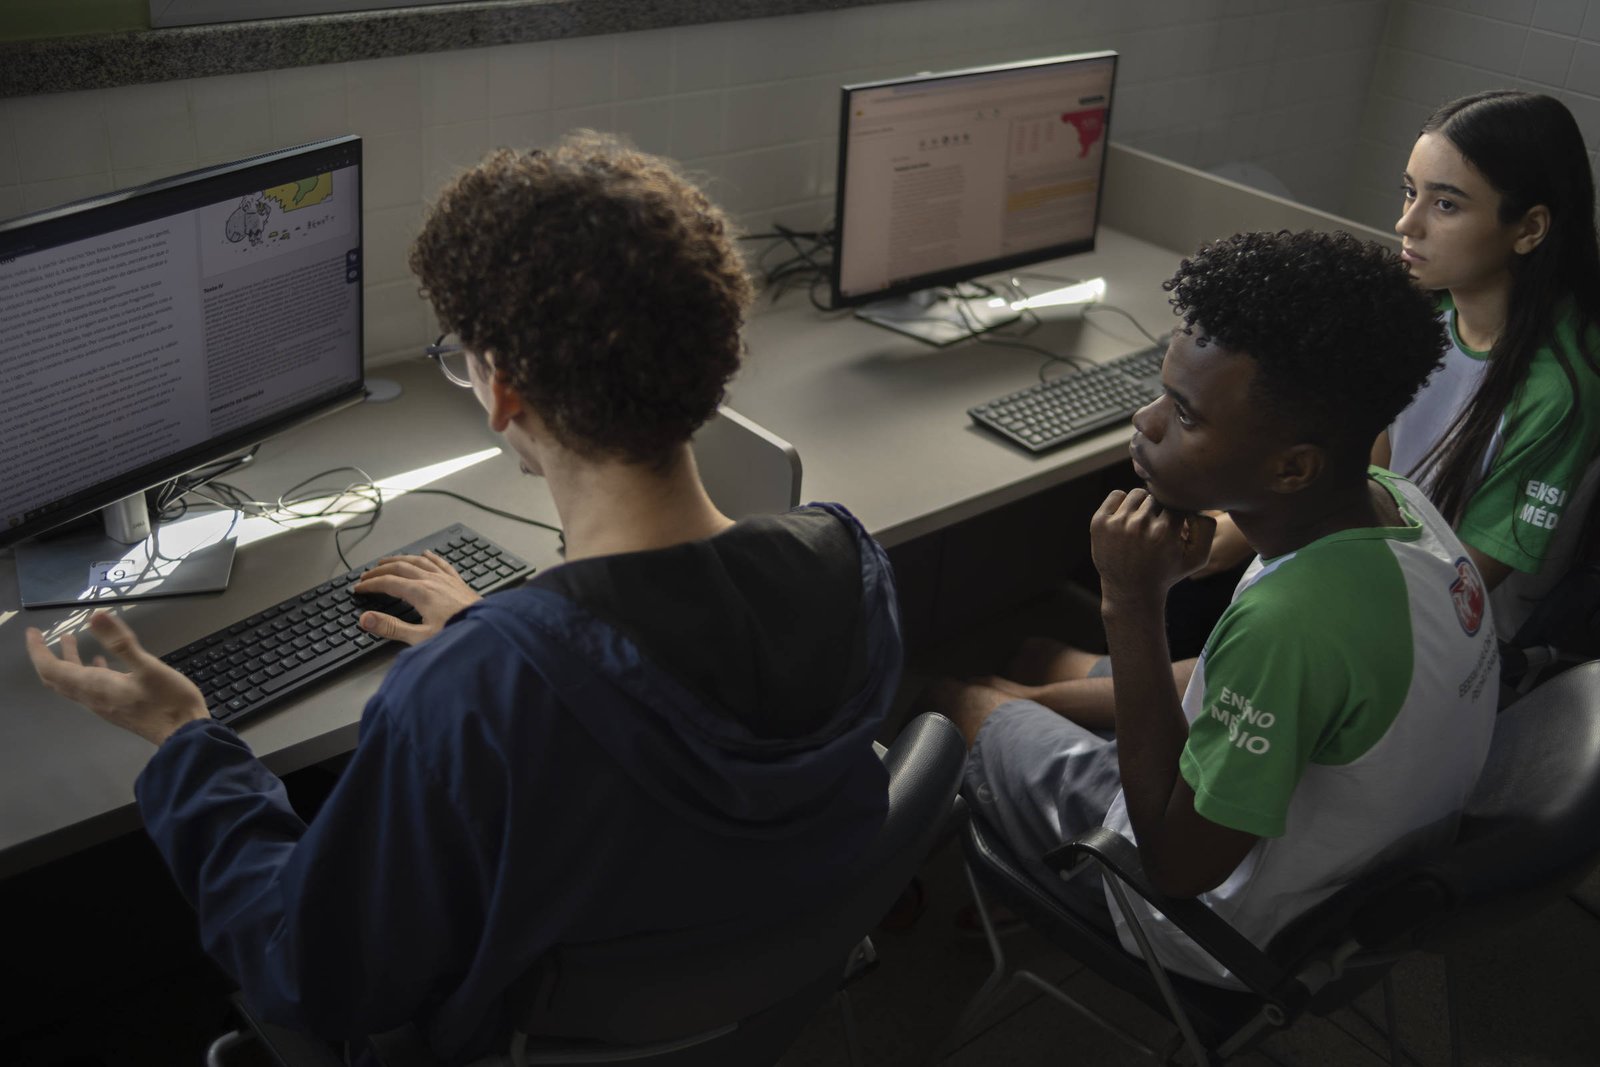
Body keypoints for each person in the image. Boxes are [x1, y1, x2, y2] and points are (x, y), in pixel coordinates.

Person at [25, 133, 904, 1063]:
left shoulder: (473, 692)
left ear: (505, 387)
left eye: (462, 357)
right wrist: (507, 633)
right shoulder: (849, 566)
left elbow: (308, 972)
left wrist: (184, 737)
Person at [939, 229, 1499, 984]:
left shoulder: (1291, 621)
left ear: (1292, 467)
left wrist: (1131, 604)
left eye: (1185, 413)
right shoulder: (1399, 507)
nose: (1145, 423)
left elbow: (1177, 867)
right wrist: (1044, 697)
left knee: (951, 695)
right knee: (1030, 656)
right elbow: (1234, 678)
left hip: (1223, 928)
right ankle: (1032, 715)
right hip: (1348, 873)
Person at [1197, 91, 1600, 642]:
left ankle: (1045, 688)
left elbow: (1463, 587)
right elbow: (1368, 472)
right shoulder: (1425, 306)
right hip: (1371, 556)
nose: (1407, 223)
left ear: (1529, 229)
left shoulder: (1559, 388)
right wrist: (1243, 532)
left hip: (1448, 633)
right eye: (1411, 192)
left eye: (1446, 205)